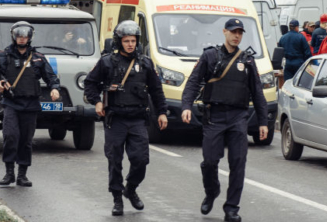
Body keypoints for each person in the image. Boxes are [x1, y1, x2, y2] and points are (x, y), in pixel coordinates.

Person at [181, 18, 268, 221]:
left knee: (238, 163)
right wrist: (186, 106)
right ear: (224, 32)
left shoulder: (247, 60)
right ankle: (212, 191)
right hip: (215, 116)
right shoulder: (210, 56)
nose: (236, 35)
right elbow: (193, 82)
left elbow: (258, 93)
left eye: (240, 32)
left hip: (238, 117)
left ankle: (231, 209)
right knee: (210, 161)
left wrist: (263, 121)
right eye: (233, 31)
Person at [84, 20, 168, 216]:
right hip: (115, 119)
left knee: (141, 160)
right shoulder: (106, 62)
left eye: (133, 40)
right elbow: (90, 83)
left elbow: (157, 91)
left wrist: (162, 112)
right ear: (119, 41)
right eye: (126, 40)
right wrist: (96, 101)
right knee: (115, 160)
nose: (130, 44)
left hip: (138, 119)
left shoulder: (145, 63)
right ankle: (117, 198)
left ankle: (130, 188)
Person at [0, 21, 61, 188]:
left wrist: (54, 89)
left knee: (26, 140)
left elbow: (51, 77)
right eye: (19, 36)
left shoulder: (38, 58)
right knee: (10, 136)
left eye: (25, 36)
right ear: (14, 36)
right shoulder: (2, 56)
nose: (22, 39)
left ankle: (22, 175)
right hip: (11, 103)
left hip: (31, 104)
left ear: (30, 37)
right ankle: (9, 172)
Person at [277, 20, 311, 86]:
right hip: (299, 63)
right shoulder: (301, 37)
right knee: (299, 83)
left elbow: (279, 52)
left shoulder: (283, 37)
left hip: (288, 63)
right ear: (296, 27)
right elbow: (307, 53)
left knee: (288, 83)